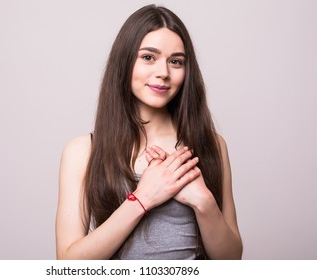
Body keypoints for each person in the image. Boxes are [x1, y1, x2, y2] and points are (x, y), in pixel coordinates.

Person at [55, 4, 242, 260]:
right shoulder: (83, 151)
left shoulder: (212, 144)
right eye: (148, 57)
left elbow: (231, 260)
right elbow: (69, 264)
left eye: (176, 61)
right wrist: (143, 198)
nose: (163, 73)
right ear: (124, 62)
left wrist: (204, 203)